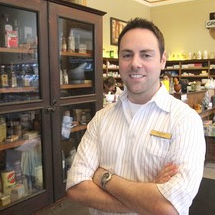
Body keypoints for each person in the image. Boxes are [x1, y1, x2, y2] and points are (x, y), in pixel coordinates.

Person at [66, 18, 205, 215]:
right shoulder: (101, 118)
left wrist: (104, 177)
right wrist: (147, 196)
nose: (135, 64)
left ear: (162, 60)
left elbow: (168, 208)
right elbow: (76, 187)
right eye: (127, 55)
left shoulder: (185, 121)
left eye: (146, 55)